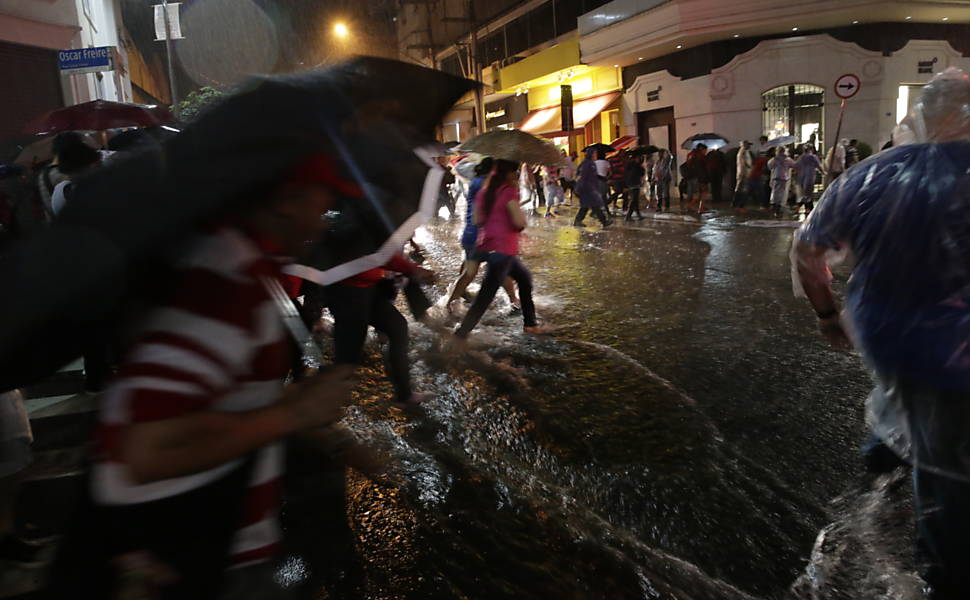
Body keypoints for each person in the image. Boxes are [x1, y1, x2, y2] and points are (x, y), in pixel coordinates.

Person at [49, 153, 380, 598]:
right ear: (285, 199)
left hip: (230, 540)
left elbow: (225, 402)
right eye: (321, 201)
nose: (324, 218)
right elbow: (143, 449)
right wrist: (293, 415)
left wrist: (326, 433)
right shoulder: (220, 282)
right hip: (201, 554)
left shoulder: (249, 268)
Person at [793, 68, 970, 599]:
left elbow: (808, 251)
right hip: (957, 362)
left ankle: (884, 453)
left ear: (924, 115)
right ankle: (945, 578)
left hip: (889, 340)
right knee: (947, 473)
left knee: (909, 411)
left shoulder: (872, 175)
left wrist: (827, 314)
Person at [455, 159, 543, 339]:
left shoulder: (485, 191)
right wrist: (515, 224)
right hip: (503, 249)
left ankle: (530, 324)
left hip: (488, 245)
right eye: (515, 172)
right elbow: (519, 223)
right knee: (485, 296)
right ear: (509, 173)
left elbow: (477, 220)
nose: (517, 175)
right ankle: (460, 335)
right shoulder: (508, 191)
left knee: (524, 279)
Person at [444, 157, 520, 311]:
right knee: (500, 268)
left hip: (470, 234)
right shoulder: (490, 184)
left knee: (469, 271)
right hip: (486, 236)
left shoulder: (476, 182)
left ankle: (450, 304)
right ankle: (514, 300)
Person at [574, 149, 611, 227]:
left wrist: (604, 179)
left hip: (589, 188)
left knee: (590, 205)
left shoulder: (588, 163)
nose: (595, 155)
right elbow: (582, 176)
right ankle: (603, 221)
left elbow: (594, 175)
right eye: (594, 153)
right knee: (591, 205)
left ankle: (578, 221)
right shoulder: (588, 164)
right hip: (586, 188)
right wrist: (579, 188)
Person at [767, 146, 795, 217]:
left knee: (776, 192)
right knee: (781, 193)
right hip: (784, 177)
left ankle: (775, 207)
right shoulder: (787, 159)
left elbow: (769, 166)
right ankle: (778, 207)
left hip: (776, 177)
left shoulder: (774, 159)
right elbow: (794, 165)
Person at [793, 145, 823, 210]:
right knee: (809, 193)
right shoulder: (813, 157)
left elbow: (796, 166)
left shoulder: (801, 157)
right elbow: (818, 165)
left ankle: (806, 207)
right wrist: (823, 172)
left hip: (801, 177)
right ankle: (805, 207)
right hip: (810, 177)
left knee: (805, 193)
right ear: (811, 149)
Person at [623, 153, 645, 221]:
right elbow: (641, 173)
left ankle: (638, 215)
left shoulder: (629, 165)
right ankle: (628, 215)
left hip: (631, 184)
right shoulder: (636, 166)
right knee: (634, 200)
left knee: (635, 200)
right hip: (634, 184)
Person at [734, 140, 753, 210]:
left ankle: (736, 204)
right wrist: (751, 167)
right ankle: (740, 205)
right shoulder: (743, 152)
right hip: (743, 173)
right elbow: (744, 163)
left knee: (740, 188)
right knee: (742, 190)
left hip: (744, 173)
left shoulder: (744, 151)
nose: (749, 146)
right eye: (748, 145)